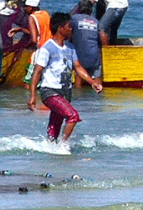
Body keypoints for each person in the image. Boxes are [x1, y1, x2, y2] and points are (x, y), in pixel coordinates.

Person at [28, 12, 100, 144]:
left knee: (55, 125)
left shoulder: (70, 47)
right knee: (73, 116)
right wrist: (32, 95)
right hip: (50, 92)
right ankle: (63, 146)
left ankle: (50, 147)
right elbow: (37, 72)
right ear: (60, 28)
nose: (71, 29)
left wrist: (92, 82)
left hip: (64, 92)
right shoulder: (47, 49)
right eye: (69, 26)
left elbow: (77, 67)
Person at [68, 0, 104, 86]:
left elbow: (66, 29)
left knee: (79, 77)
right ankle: (99, 97)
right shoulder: (96, 21)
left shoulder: (74, 19)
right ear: (91, 10)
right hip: (94, 55)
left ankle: (80, 98)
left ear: (79, 9)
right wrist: (105, 47)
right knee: (97, 78)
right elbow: (102, 35)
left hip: (81, 54)